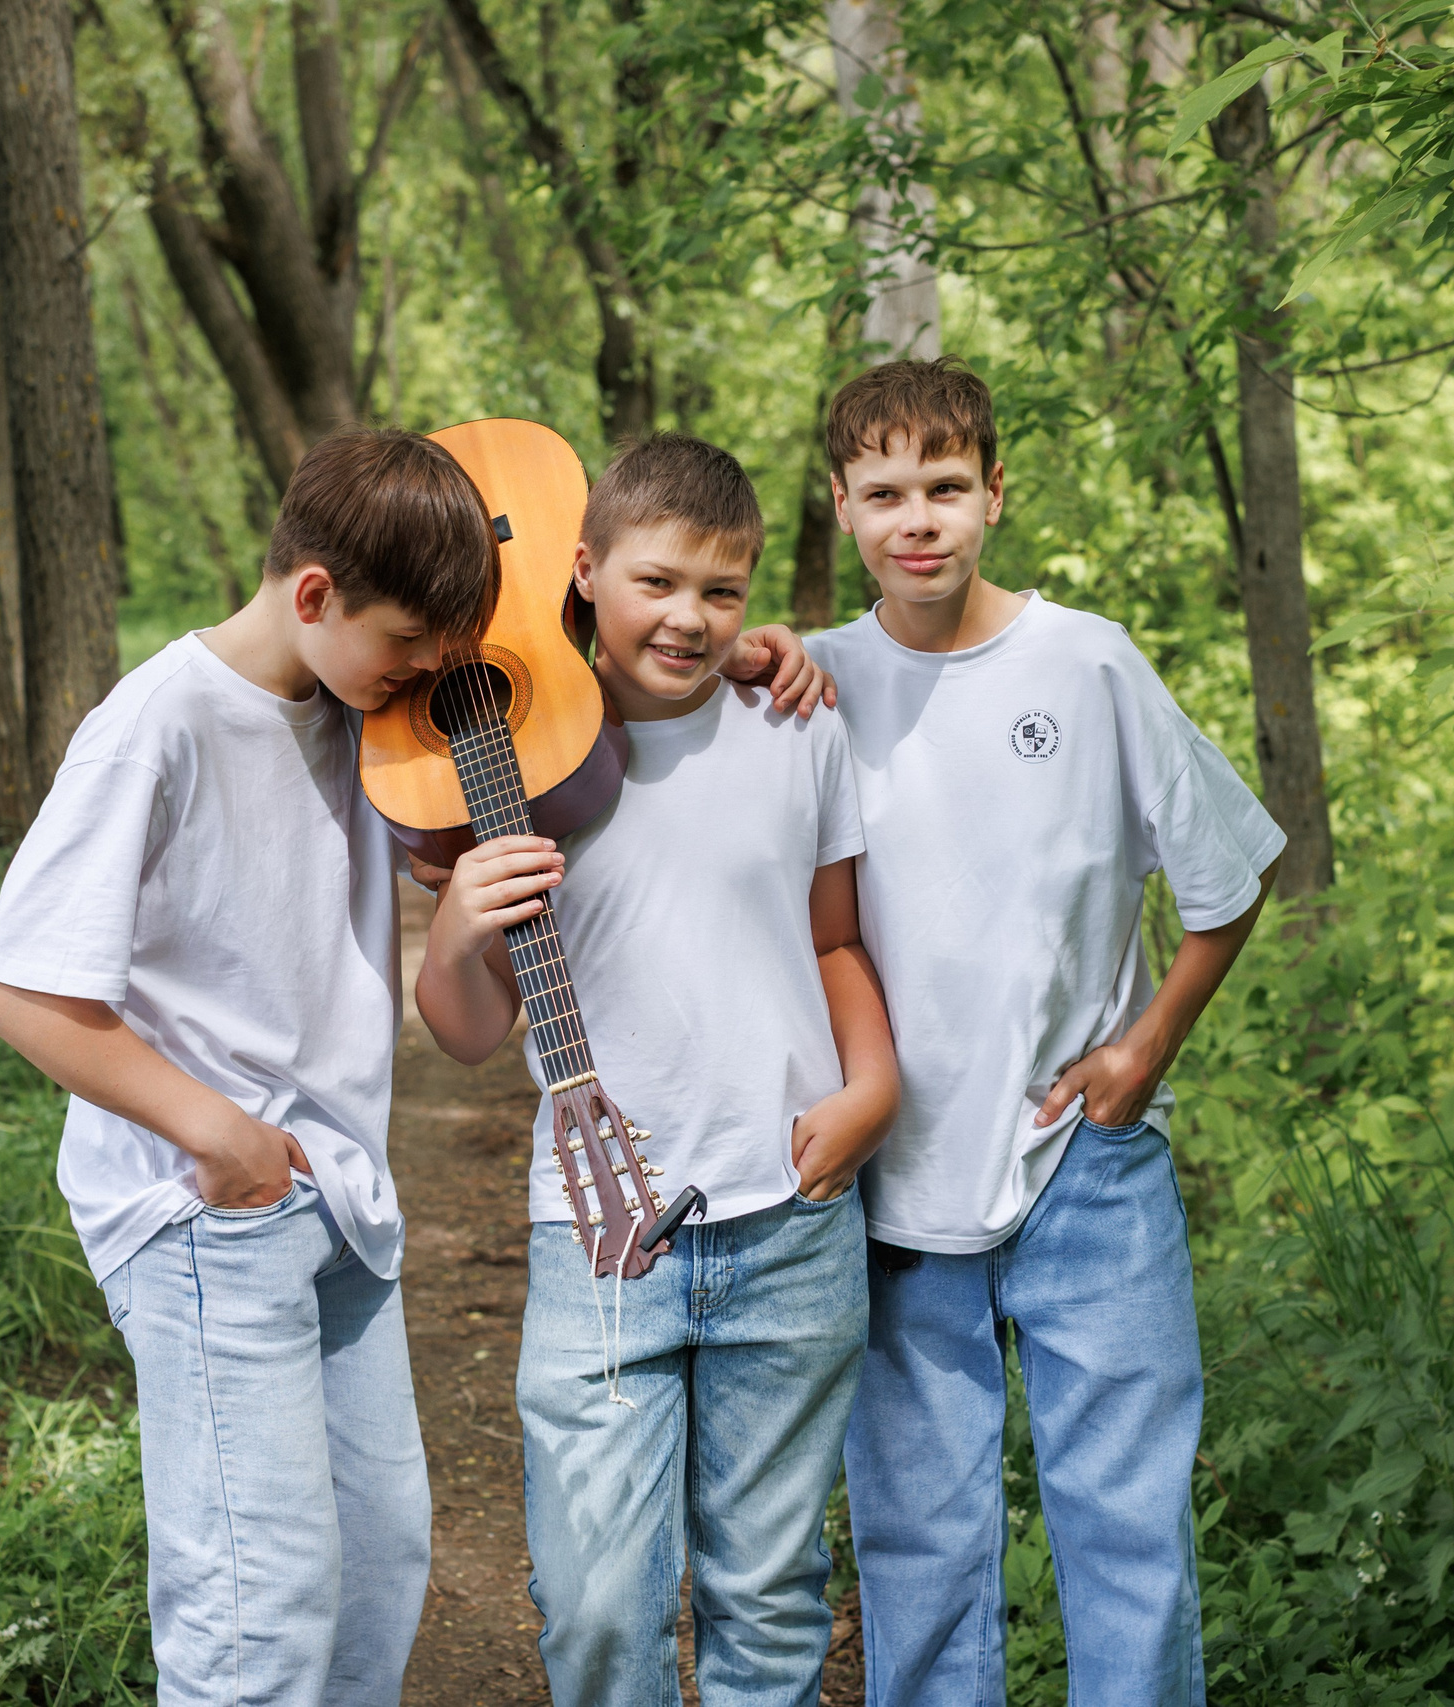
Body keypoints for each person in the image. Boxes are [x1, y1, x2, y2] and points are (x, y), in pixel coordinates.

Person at [0, 430, 496, 1707]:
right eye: (408, 646)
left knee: (376, 1574)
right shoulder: (156, 724)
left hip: (340, 1205)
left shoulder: (358, 711)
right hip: (210, 1212)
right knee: (258, 1614)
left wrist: (762, 654)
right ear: (312, 594)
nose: (426, 674)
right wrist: (222, 1134)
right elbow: (17, 988)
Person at [805, 360, 1285, 1707]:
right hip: (895, 1172)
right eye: (886, 490)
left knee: (1127, 1521)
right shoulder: (813, 684)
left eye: (947, 487)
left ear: (995, 493)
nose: (920, 518)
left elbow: (1226, 878)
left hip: (1086, 1160)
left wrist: (1149, 1046)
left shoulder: (1086, 659)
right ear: (841, 505)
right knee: (918, 1539)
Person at [415, 434, 898, 1707]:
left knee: (768, 1597)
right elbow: (464, 1031)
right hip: (598, 1237)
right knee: (596, 1609)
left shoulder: (792, 729)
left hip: (789, 1221)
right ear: (584, 572)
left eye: (721, 592)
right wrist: (458, 927)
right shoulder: (511, 757)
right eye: (656, 583)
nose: (688, 618)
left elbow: (834, 936)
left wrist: (871, 1092)